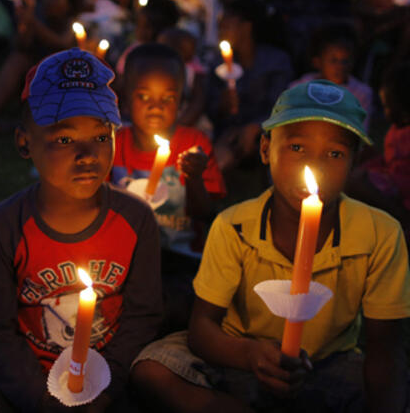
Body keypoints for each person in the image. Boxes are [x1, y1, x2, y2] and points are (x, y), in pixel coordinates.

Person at [131, 80, 410, 413]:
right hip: (238, 355)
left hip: (327, 361)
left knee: (386, 386)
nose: (314, 167)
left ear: (355, 161)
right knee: (152, 369)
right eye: (296, 148)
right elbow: (202, 329)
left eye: (335, 154)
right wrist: (249, 354)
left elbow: (385, 347)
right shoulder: (235, 227)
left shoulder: (380, 233)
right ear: (265, 149)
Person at [0, 48, 163, 413]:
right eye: (65, 140)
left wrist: (107, 386)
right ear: (24, 142)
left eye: (102, 137)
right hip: (28, 369)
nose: (88, 155)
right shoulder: (5, 227)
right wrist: (38, 397)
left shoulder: (136, 220)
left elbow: (143, 316)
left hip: (109, 373)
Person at [113, 43, 225, 257]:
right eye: (144, 96)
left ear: (182, 100)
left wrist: (194, 177)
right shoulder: (114, 145)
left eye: (168, 98)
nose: (156, 106)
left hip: (182, 257)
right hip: (125, 255)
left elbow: (206, 213)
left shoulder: (194, 144)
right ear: (126, 98)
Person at [0, 0, 80, 136]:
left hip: (64, 74)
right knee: (18, 59)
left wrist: (32, 22)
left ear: (68, 3)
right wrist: (25, 24)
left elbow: (62, 44)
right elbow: (21, 45)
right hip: (34, 69)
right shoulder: (38, 14)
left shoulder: (73, 21)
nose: (51, 0)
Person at [206, 0, 293, 172]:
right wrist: (222, 105)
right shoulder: (217, 64)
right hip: (228, 134)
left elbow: (281, 107)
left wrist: (254, 127)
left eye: (226, 25)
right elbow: (212, 109)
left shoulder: (276, 62)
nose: (221, 30)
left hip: (266, 133)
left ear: (247, 27)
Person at [348, 62, 410, 246]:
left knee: (354, 181)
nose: (386, 112)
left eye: (388, 107)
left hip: (401, 190)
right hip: (393, 176)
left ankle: (400, 217)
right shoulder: (397, 129)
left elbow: (401, 172)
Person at [290, 20, 374, 132]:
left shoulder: (361, 93)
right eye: (333, 61)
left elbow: (361, 129)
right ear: (317, 62)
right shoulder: (299, 89)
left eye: (345, 61)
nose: (340, 66)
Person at [157, 27, 209, 131]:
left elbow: (198, 102)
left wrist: (180, 125)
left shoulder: (192, 72)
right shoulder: (155, 70)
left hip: (185, 122)